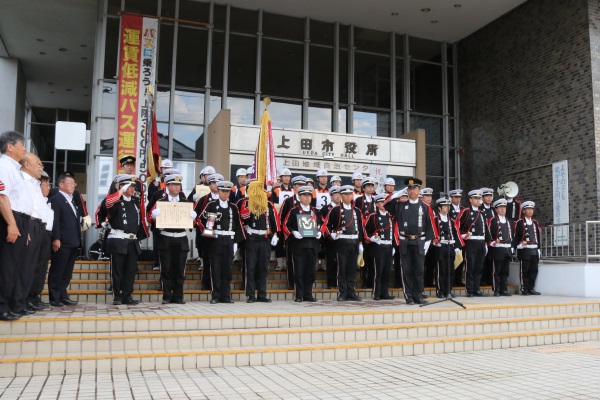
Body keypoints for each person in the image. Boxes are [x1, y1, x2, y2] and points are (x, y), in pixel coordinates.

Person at [385, 178, 437, 305]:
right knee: (406, 270)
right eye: (409, 188)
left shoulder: (425, 207)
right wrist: (399, 193)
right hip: (405, 241)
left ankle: (418, 294)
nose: (412, 191)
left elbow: (431, 226)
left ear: (419, 190)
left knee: (419, 270)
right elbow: (386, 203)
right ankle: (408, 295)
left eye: (414, 188)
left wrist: (427, 244)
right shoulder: (401, 205)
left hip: (420, 241)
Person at [0, 132, 33, 321]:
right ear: (9, 146)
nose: (24, 147)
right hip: (10, 218)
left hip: (20, 221)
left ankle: (9, 304)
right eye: (21, 143)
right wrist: (12, 224)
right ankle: (2, 305)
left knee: (15, 267)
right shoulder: (4, 165)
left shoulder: (14, 168)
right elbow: (2, 196)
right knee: (7, 266)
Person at [148, 174, 196, 304]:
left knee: (180, 270)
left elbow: (192, 223)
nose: (176, 187)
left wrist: (193, 218)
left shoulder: (186, 203)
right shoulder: (161, 203)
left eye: (178, 184)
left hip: (181, 238)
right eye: (173, 184)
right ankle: (167, 296)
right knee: (166, 269)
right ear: (167, 186)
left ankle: (178, 296)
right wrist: (153, 216)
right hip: (166, 238)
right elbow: (148, 217)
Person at [104, 174, 149, 305]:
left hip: (132, 240)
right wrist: (120, 191)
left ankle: (127, 296)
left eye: (133, 186)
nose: (132, 188)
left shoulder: (135, 202)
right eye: (129, 185)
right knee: (117, 271)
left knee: (130, 271)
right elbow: (108, 202)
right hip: (118, 239)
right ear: (120, 187)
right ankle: (117, 296)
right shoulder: (115, 200)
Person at [11, 153, 46, 316]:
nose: (41, 166)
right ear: (26, 165)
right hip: (27, 223)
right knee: (23, 267)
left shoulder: (34, 183)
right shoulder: (21, 180)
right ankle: (17, 302)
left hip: (37, 225)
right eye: (37, 163)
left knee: (31, 267)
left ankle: (24, 300)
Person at [199, 181, 245, 304]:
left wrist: (236, 242)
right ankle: (215, 295)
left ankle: (226, 295)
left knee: (227, 270)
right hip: (216, 240)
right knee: (215, 268)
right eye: (223, 191)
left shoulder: (233, 207)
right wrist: (208, 233)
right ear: (218, 191)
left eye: (227, 192)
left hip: (229, 240)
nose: (225, 194)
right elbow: (202, 219)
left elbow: (238, 225)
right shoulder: (211, 205)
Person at [322, 185, 364, 301]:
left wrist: (360, 243)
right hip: (341, 242)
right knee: (342, 269)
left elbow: (360, 228)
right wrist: (332, 234)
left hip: (354, 242)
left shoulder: (356, 211)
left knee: (351, 269)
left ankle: (351, 292)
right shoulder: (335, 210)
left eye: (350, 194)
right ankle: (342, 292)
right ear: (340, 196)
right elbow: (325, 226)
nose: (348, 196)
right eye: (345, 194)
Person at [48, 173, 83, 307]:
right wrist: (56, 238)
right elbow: (54, 220)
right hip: (62, 241)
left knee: (67, 271)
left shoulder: (71, 199)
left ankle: (63, 294)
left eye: (74, 184)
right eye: (70, 183)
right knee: (58, 269)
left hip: (73, 241)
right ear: (61, 185)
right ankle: (54, 297)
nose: (73, 186)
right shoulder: (56, 199)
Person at [238, 188, 279, 303]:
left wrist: (275, 234)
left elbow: (274, 220)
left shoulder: (269, 204)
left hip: (265, 238)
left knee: (263, 268)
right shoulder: (247, 202)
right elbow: (244, 216)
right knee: (250, 267)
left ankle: (262, 294)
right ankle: (251, 294)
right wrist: (253, 204)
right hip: (251, 238)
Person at [284, 185, 322, 302]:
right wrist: (293, 232)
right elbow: (285, 225)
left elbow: (323, 224)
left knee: (310, 272)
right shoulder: (294, 211)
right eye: (304, 195)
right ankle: (299, 295)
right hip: (299, 246)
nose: (307, 198)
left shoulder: (315, 211)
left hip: (312, 246)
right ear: (299, 197)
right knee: (299, 271)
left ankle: (308, 294)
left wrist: (320, 232)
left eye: (309, 195)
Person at [455, 189, 492, 297]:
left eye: (479, 198)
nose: (477, 200)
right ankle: (470, 290)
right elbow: (456, 225)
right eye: (475, 198)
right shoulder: (466, 211)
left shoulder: (482, 213)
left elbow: (485, 228)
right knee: (470, 267)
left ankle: (477, 289)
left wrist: (486, 243)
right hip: (470, 242)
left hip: (481, 242)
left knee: (479, 267)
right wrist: (462, 236)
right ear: (470, 200)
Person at [364, 193, 399, 300]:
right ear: (377, 204)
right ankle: (376, 293)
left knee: (387, 271)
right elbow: (365, 230)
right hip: (378, 246)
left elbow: (394, 232)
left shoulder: (390, 216)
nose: (384, 204)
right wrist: (371, 238)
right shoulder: (372, 216)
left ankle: (385, 293)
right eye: (381, 202)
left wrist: (394, 246)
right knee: (378, 271)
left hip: (388, 246)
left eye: (385, 202)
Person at [193, 173, 223, 289]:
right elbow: (197, 217)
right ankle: (206, 284)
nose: (216, 185)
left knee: (221, 261)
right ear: (209, 185)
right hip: (207, 236)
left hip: (222, 236)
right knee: (207, 260)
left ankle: (219, 285)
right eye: (213, 183)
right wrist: (205, 230)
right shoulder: (203, 199)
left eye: (218, 183)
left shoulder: (226, 199)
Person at [29, 171, 53, 310]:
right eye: (46, 184)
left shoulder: (46, 201)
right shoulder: (35, 197)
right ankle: (29, 297)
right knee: (34, 266)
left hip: (45, 233)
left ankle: (35, 296)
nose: (48, 187)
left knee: (42, 267)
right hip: (36, 230)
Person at [278, 175, 307, 288]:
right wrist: (286, 234)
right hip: (291, 236)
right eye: (298, 185)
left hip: (306, 236)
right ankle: (292, 283)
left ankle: (303, 284)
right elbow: (281, 218)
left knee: (305, 261)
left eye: (303, 185)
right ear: (294, 187)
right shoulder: (288, 201)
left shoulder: (308, 201)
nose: (300, 187)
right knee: (292, 261)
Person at [433, 198, 463, 299]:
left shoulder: (451, 220)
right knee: (441, 270)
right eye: (445, 206)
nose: (447, 208)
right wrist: (435, 242)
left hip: (450, 246)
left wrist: (457, 247)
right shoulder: (435, 219)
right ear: (439, 207)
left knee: (450, 270)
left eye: (448, 206)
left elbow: (456, 234)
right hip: (440, 247)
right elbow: (432, 233)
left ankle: (448, 290)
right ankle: (440, 291)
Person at [512, 201, 542, 296]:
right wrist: (517, 246)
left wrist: (538, 248)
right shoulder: (519, 222)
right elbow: (515, 236)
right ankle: (524, 288)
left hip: (534, 248)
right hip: (525, 249)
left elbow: (538, 236)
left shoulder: (535, 223)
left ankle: (531, 288)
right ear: (524, 211)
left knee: (534, 270)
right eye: (528, 209)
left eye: (531, 209)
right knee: (524, 270)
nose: (530, 211)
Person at [488, 198, 513, 296]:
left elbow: (512, 235)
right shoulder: (493, 220)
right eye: (500, 207)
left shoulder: (508, 221)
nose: (503, 209)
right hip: (497, 248)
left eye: (504, 207)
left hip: (507, 247)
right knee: (496, 271)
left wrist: (512, 246)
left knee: (505, 271)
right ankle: (496, 290)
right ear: (496, 209)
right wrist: (491, 243)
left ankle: (504, 289)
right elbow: (489, 234)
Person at [354, 177, 376, 289]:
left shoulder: (376, 200)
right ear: (363, 188)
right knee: (364, 259)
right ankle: (364, 281)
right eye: (368, 186)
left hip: (374, 233)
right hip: (362, 231)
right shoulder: (358, 200)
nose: (370, 188)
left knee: (373, 259)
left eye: (372, 186)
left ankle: (372, 281)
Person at [271, 168, 293, 271]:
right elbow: (272, 204)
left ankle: (287, 261)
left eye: (288, 176)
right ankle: (280, 262)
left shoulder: (294, 190)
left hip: (290, 219)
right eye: (284, 176)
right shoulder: (276, 190)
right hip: (279, 217)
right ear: (280, 178)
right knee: (279, 240)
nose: (286, 178)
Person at [320, 185, 341, 289]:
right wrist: (329, 234)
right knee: (331, 262)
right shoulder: (325, 209)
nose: (338, 196)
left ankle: (340, 283)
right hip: (330, 239)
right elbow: (322, 223)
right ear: (331, 196)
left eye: (339, 194)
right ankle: (331, 283)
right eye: (335, 194)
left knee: (341, 262)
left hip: (342, 239)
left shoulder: (344, 208)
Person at [448, 189, 465, 286]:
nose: (458, 199)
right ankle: (452, 280)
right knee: (451, 261)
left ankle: (458, 279)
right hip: (452, 236)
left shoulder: (463, 209)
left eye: (459, 197)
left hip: (461, 237)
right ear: (451, 198)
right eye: (456, 197)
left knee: (460, 259)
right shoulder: (448, 209)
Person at [480, 187, 496, 286]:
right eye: (487, 196)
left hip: (493, 239)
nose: (489, 198)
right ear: (482, 197)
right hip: (483, 238)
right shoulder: (480, 209)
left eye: (490, 196)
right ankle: (481, 280)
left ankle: (489, 279)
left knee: (491, 260)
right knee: (482, 260)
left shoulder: (494, 209)